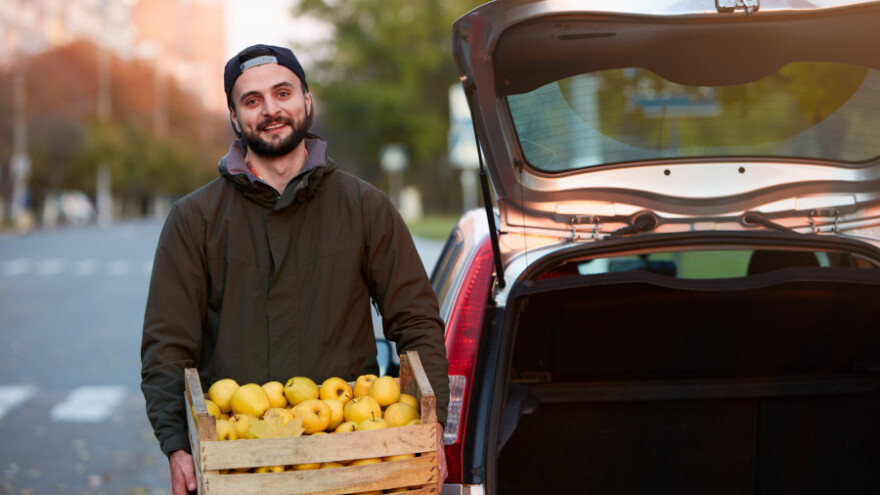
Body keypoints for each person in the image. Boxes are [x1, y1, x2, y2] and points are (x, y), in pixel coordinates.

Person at [140, 44, 449, 494]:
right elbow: (166, 346)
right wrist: (176, 445)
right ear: (234, 117)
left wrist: (429, 422)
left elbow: (417, 321)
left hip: (351, 457)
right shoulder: (194, 219)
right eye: (252, 100)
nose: (270, 110)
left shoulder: (365, 208)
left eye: (282, 93)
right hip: (238, 465)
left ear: (307, 101)